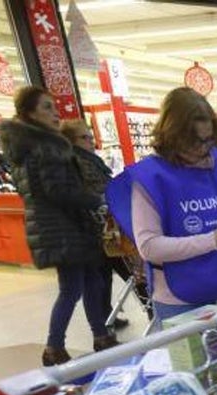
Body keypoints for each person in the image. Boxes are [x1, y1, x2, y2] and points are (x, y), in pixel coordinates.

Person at [106, 87, 217, 323]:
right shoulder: (151, 178)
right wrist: (212, 240)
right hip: (180, 300)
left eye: (208, 140)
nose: (203, 149)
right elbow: (149, 247)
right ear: (173, 136)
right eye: (194, 142)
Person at [0, 86, 116, 366]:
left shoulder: (27, 149)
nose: (56, 113)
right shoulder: (44, 148)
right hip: (62, 227)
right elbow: (60, 192)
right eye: (47, 107)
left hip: (62, 225)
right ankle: (54, 346)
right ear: (29, 113)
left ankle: (100, 335)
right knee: (72, 288)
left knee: (92, 281)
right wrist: (96, 201)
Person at [60, 118, 148, 329]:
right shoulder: (79, 163)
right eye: (84, 137)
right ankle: (147, 310)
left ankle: (105, 319)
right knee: (133, 273)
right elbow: (97, 193)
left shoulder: (87, 161)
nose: (91, 141)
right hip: (103, 230)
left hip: (97, 230)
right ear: (71, 141)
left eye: (90, 136)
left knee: (103, 279)